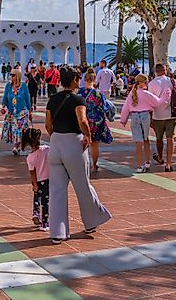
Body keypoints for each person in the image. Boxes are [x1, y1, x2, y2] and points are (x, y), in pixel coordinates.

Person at [45, 67, 112, 245]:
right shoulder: (78, 99)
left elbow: (48, 124)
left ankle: (57, 233)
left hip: (55, 143)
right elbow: (82, 120)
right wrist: (88, 136)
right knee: (82, 185)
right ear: (74, 79)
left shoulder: (52, 99)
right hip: (73, 143)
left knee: (57, 190)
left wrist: (55, 136)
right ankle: (92, 221)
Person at [120, 74, 171, 173]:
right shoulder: (146, 93)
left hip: (134, 117)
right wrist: (166, 95)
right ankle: (147, 161)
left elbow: (126, 107)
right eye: (146, 81)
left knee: (138, 142)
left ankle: (139, 166)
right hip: (145, 116)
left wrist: (123, 119)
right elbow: (157, 102)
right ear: (142, 83)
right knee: (146, 139)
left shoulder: (132, 94)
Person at [78, 69, 114, 173]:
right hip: (96, 121)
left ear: (84, 79)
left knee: (81, 143)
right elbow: (105, 107)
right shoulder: (98, 93)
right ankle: (94, 164)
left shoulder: (80, 92)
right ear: (94, 80)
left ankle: (81, 164)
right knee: (94, 144)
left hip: (83, 119)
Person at [148, 64, 176, 172]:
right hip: (171, 113)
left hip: (157, 115)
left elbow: (150, 101)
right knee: (170, 138)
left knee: (159, 138)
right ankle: (168, 164)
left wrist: (150, 116)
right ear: (165, 71)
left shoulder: (151, 84)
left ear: (155, 71)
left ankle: (160, 157)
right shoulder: (172, 81)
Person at [23, 128, 50, 231]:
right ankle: (45, 222)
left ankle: (36, 213)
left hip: (38, 180)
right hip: (47, 180)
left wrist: (34, 184)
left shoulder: (30, 157)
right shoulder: (47, 149)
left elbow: (32, 173)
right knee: (45, 201)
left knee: (37, 197)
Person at [1, 69, 33, 155]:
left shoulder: (23, 86)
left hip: (22, 111)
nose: (11, 76)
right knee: (14, 129)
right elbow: (5, 97)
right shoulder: (8, 86)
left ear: (17, 76)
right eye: (11, 74)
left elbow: (27, 99)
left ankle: (16, 146)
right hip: (12, 111)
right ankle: (18, 145)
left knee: (18, 128)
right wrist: (3, 106)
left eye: (13, 75)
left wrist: (30, 111)